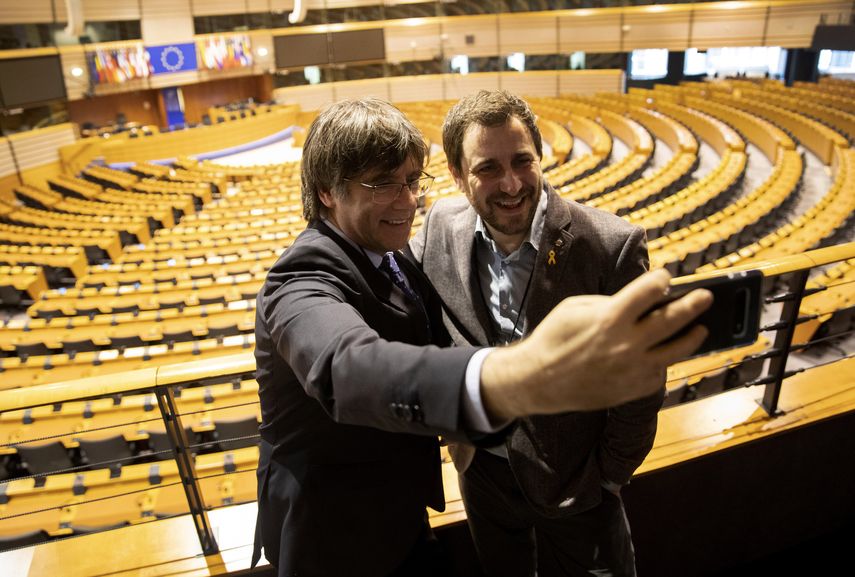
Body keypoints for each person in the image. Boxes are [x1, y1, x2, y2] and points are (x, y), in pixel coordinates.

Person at [253, 97, 711, 577]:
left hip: (559, 490)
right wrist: (516, 376)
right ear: (327, 191)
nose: (408, 201)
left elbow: (642, 382)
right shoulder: (300, 278)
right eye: (383, 183)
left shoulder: (389, 251)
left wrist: (610, 476)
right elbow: (348, 367)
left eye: (411, 181)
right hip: (341, 536)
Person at [408, 89, 662, 577]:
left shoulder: (610, 246)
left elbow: (643, 380)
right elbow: (395, 289)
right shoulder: (440, 224)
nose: (510, 183)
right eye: (487, 168)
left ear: (540, 158)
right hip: (481, 472)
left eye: (522, 161)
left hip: (578, 484)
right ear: (458, 176)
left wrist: (609, 476)